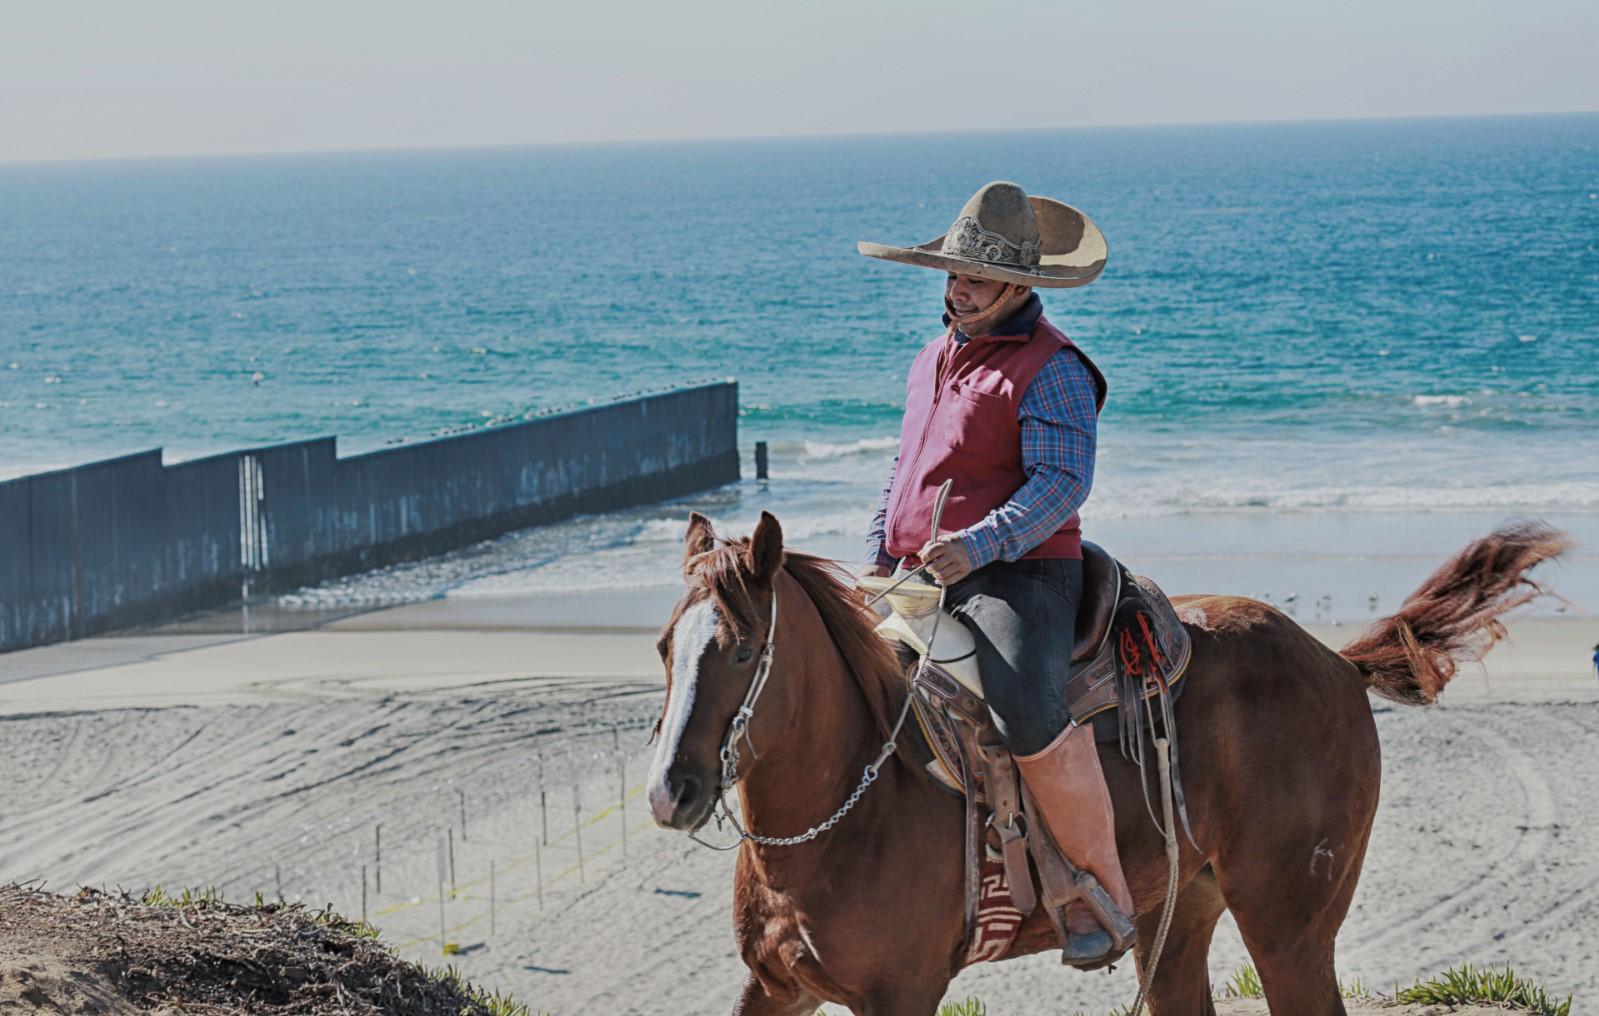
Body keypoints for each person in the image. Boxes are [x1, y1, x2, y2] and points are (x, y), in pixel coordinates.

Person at [857, 181, 1132, 965]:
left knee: (1020, 697)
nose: (956, 288)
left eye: (973, 277)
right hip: (923, 571)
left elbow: (1060, 484)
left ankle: (1092, 891)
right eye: (951, 274)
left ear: (1019, 287)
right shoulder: (932, 359)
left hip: (1022, 578)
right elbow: (905, 471)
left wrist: (976, 546)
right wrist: (879, 549)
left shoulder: (1053, 368)